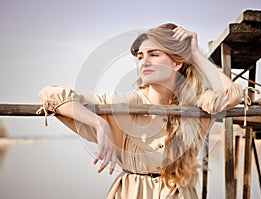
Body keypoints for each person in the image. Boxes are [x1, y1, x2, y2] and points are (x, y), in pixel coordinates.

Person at [38, 23, 244, 198]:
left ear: (176, 63)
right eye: (140, 56)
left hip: (178, 193)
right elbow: (50, 94)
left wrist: (196, 53)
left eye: (154, 55)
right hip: (131, 192)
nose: (144, 62)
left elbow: (233, 94)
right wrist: (99, 124)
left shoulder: (195, 103)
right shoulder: (122, 105)